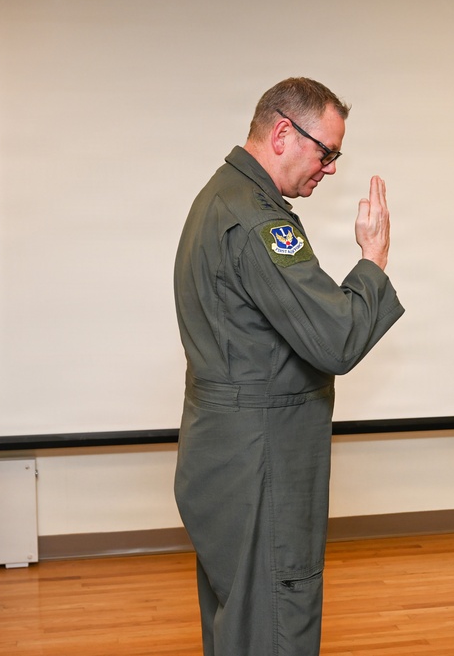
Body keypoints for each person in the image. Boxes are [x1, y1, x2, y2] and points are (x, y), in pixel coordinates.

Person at [173, 77, 404, 656]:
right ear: (282, 133)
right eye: (326, 152)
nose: (330, 168)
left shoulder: (219, 196)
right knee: (276, 621)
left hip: (223, 452)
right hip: (263, 458)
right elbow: (337, 340)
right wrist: (373, 260)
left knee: (239, 621)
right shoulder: (259, 221)